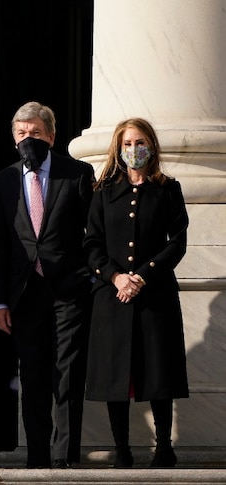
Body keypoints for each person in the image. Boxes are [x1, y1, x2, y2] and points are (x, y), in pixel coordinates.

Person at [0, 101, 94, 469]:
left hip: (69, 290)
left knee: (68, 372)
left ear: (50, 135)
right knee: (32, 375)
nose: (27, 139)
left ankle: (65, 455)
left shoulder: (77, 173)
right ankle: (37, 456)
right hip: (23, 293)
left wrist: (91, 277)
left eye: (35, 133)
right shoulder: (2, 181)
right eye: (21, 134)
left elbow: (91, 234)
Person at [83, 118, 189, 468]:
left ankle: (163, 447)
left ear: (151, 146)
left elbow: (177, 244)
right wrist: (115, 278)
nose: (134, 150)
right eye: (127, 143)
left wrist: (142, 277)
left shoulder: (168, 189)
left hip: (154, 295)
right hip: (113, 297)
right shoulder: (103, 192)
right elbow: (92, 244)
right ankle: (122, 448)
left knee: (158, 372)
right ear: (118, 147)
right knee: (118, 374)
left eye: (140, 142)